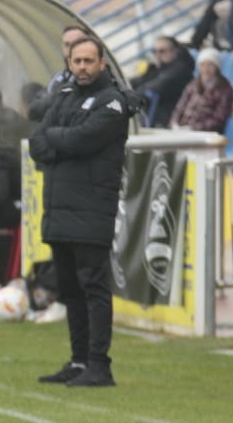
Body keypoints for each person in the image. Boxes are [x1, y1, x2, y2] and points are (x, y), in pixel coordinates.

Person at [29, 35, 132, 388]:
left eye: (89, 61)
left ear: (103, 63)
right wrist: (62, 139)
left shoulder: (114, 103)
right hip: (58, 208)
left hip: (91, 209)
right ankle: (78, 361)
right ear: (69, 64)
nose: (83, 67)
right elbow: (36, 144)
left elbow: (83, 140)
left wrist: (58, 138)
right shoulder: (65, 95)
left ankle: (99, 364)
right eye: (77, 61)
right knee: (70, 289)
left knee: (94, 288)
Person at [28, 24, 89, 121]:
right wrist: (56, 98)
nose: (70, 50)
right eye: (67, 45)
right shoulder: (60, 77)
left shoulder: (93, 79)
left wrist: (51, 100)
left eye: (76, 44)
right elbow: (33, 111)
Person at [130, 36, 194, 127]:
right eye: (154, 51)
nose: (157, 55)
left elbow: (156, 87)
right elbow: (138, 81)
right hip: (156, 117)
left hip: (169, 122)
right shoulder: (159, 69)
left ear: (174, 52)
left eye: (162, 51)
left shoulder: (181, 71)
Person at [167, 47, 233, 133]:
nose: (206, 69)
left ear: (217, 68)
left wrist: (194, 128)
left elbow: (219, 118)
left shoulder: (225, 89)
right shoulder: (193, 85)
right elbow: (180, 108)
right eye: (202, 65)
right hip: (183, 130)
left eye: (210, 65)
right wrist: (174, 123)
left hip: (206, 133)